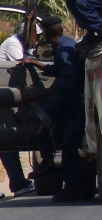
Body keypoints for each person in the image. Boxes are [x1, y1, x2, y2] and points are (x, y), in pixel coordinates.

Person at [22, 16, 88, 202]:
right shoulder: (65, 45)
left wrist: (38, 95)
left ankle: (61, 177)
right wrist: (35, 63)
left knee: (64, 140)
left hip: (76, 102)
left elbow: (67, 84)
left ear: (47, 33)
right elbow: (59, 71)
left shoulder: (65, 50)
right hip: (72, 101)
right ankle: (50, 165)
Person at [0, 23, 42, 199]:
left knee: (7, 140)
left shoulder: (22, 44)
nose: (37, 39)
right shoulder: (13, 44)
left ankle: (18, 182)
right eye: (36, 36)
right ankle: (18, 183)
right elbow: (24, 65)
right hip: (5, 94)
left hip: (6, 95)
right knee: (7, 140)